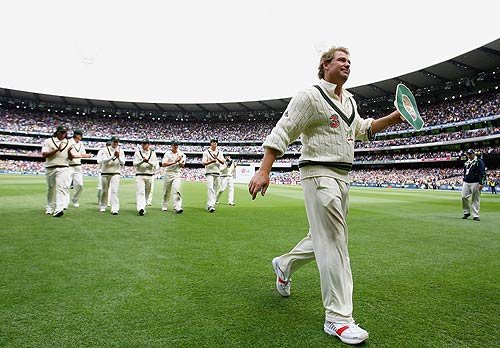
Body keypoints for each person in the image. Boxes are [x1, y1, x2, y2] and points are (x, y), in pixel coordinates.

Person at [248, 46, 405, 345]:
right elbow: (284, 130)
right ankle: (338, 318)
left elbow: (360, 129)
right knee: (335, 241)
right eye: (341, 60)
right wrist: (263, 169)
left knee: (321, 237)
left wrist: (393, 118)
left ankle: (285, 264)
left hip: (343, 177)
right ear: (325, 65)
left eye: (350, 61)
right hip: (318, 174)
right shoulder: (309, 96)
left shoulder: (350, 100)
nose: (347, 65)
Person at [41, 125, 83, 217]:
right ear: (57, 132)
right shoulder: (48, 141)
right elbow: (44, 155)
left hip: (64, 167)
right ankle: (49, 207)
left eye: (65, 132)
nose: (63, 134)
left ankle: (58, 209)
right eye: (61, 132)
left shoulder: (68, 143)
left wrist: (69, 153)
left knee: (61, 188)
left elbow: (71, 158)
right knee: (51, 188)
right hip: (51, 167)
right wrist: (57, 150)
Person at [96, 136, 125, 215]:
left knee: (114, 190)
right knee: (104, 191)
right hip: (105, 172)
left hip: (116, 173)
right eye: (114, 141)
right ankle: (103, 205)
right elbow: (102, 161)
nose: (115, 143)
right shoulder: (104, 150)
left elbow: (123, 163)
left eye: (117, 142)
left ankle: (115, 208)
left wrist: (118, 157)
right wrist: (112, 156)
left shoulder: (120, 151)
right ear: (111, 142)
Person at [65, 129, 92, 208]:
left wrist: (86, 155)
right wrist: (82, 155)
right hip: (69, 166)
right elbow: (70, 155)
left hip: (78, 166)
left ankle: (75, 199)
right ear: (76, 135)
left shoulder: (81, 143)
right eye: (80, 135)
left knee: (80, 185)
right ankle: (65, 202)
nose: (81, 137)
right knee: (66, 185)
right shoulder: (69, 142)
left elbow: (83, 153)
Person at [133, 139, 159, 216]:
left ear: (148, 144)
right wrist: (142, 161)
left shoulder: (153, 153)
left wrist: (148, 162)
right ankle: (140, 208)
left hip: (149, 175)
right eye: (143, 144)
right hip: (140, 175)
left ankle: (143, 207)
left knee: (147, 193)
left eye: (145, 144)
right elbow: (134, 164)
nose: (143, 145)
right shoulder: (137, 153)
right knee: (140, 192)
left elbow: (155, 164)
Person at [161, 142, 186, 213]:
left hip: (177, 173)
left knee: (177, 190)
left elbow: (182, 166)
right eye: (174, 145)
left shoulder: (181, 154)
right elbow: (163, 164)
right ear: (171, 146)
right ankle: (164, 205)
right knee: (166, 191)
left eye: (177, 145)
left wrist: (180, 163)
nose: (176, 146)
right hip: (168, 173)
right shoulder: (167, 153)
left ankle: (177, 207)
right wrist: (175, 162)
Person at [461, 149, 486, 221]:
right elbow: (465, 172)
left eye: (470, 154)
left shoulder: (479, 162)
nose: (469, 155)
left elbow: (482, 173)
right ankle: (466, 212)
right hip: (466, 181)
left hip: (475, 182)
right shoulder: (466, 163)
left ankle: (475, 215)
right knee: (463, 197)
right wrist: (464, 179)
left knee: (475, 199)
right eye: (468, 154)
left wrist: (481, 183)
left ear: (473, 154)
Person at [202, 139, 225, 213]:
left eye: (216, 143)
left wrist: (217, 158)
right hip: (209, 172)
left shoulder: (220, 152)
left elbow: (222, 162)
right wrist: (212, 161)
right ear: (210, 144)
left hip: (217, 172)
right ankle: (210, 205)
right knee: (210, 188)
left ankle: (210, 205)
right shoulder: (206, 152)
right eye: (213, 142)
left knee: (214, 189)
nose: (214, 144)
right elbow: (204, 163)